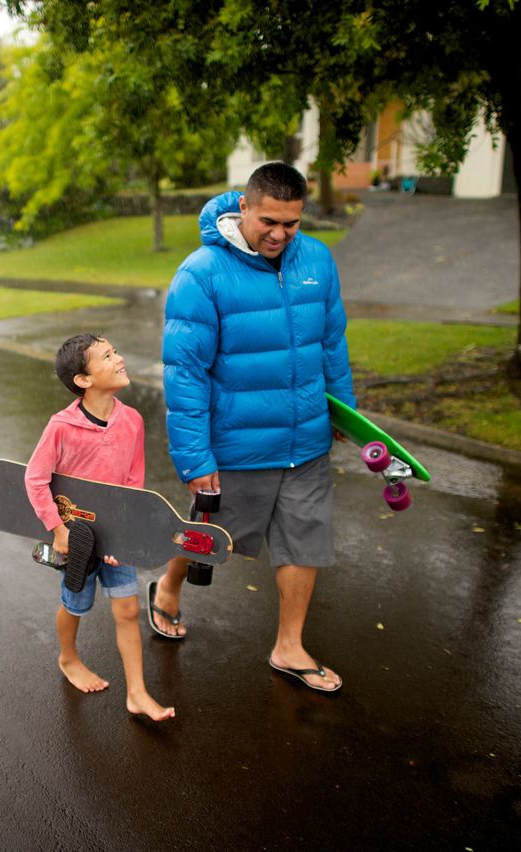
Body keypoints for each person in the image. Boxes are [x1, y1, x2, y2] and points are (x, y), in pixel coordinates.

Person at [154, 162, 356, 693]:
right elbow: (185, 374)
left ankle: (289, 647)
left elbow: (331, 342)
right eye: (269, 220)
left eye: (291, 223)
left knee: (304, 541)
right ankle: (168, 586)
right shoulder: (201, 273)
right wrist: (196, 459)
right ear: (243, 206)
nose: (280, 234)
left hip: (306, 440)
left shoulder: (316, 259)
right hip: (239, 445)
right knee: (212, 539)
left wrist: (342, 410)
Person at [25, 333, 176, 721]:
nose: (119, 359)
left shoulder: (133, 421)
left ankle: (138, 693)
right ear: (83, 380)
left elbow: (132, 485)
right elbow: (35, 479)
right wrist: (58, 531)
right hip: (76, 536)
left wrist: (124, 535)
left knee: (127, 609)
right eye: (107, 357)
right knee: (75, 602)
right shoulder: (61, 426)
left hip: (116, 534)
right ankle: (69, 658)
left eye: (115, 352)